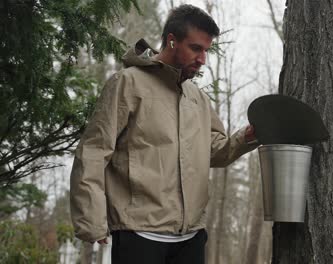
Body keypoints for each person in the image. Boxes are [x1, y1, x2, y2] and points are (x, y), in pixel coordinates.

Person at [70, 4, 258, 264]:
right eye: (196, 48)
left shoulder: (198, 99)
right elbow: (94, 150)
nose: (203, 59)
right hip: (138, 236)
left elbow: (214, 152)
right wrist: (91, 219)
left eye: (206, 50)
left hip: (191, 239)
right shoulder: (127, 83)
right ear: (171, 41)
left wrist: (245, 137)